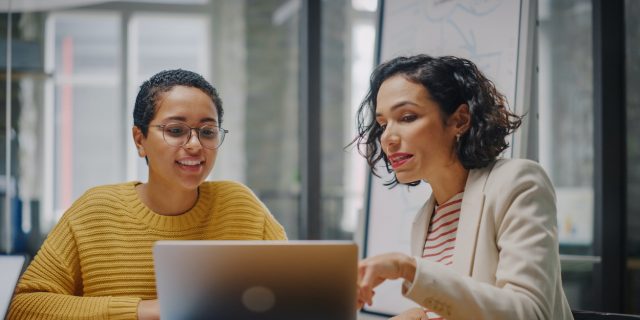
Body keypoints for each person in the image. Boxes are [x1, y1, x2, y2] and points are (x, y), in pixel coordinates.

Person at [8, 69, 287, 320]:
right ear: (140, 140)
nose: (195, 144)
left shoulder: (241, 206)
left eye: (208, 131)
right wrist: (145, 311)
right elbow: (24, 307)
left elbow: (294, 295)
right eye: (176, 130)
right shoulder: (95, 211)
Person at [353, 55, 573, 320]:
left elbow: (529, 312)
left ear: (459, 120)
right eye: (383, 124)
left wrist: (409, 270)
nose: (388, 137)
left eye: (407, 117)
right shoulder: (425, 218)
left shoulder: (519, 183)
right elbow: (453, 304)